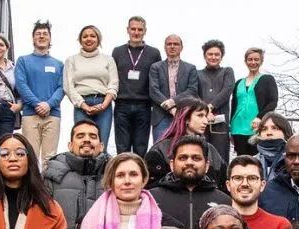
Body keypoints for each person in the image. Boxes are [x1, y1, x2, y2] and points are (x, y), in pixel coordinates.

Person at [44, 122, 109, 229]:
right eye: (80, 136)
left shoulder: (115, 176)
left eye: (93, 136)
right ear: (70, 145)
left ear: (101, 146)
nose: (86, 139)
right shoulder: (51, 176)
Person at [15, 20, 63, 170]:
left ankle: (47, 191)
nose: (41, 36)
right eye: (38, 34)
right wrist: (37, 104)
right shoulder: (23, 61)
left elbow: (62, 88)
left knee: (50, 158)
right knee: (31, 156)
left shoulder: (59, 64)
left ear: (50, 38)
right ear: (33, 38)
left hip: (52, 114)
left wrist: (49, 104)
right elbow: (21, 85)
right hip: (30, 114)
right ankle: (30, 192)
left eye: (45, 34)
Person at [151, 136, 225, 229]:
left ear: (207, 165)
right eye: (183, 158)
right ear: (172, 165)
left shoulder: (223, 201)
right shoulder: (152, 199)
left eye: (196, 158)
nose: (189, 162)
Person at [145, 99, 226, 187]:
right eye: (200, 115)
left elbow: (224, 184)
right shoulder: (160, 150)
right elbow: (151, 190)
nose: (206, 121)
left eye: (206, 116)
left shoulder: (211, 150)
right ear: (186, 118)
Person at [111, 16, 161, 156]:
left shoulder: (154, 53)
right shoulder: (117, 51)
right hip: (122, 104)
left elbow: (157, 78)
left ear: (145, 31)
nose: (136, 32)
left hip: (144, 105)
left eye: (140, 29)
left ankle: (138, 175)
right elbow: (112, 77)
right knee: (122, 146)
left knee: (141, 146)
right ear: (127, 30)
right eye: (133, 29)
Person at [64, 25, 117, 144]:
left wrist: (103, 105)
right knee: (83, 145)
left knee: (101, 145)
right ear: (80, 40)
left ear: (98, 39)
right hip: (81, 105)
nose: (89, 39)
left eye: (92, 36)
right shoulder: (71, 60)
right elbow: (68, 86)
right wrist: (84, 106)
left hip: (103, 104)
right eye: (85, 36)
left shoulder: (108, 59)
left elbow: (113, 84)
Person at [149, 34, 200, 142]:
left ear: (181, 47)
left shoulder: (190, 68)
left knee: (183, 148)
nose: (172, 46)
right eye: (169, 44)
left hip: (183, 114)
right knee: (160, 149)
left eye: (176, 44)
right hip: (161, 116)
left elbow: (192, 90)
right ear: (164, 47)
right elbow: (153, 91)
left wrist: (173, 101)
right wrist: (171, 108)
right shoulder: (155, 67)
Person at [230, 48, 277, 157]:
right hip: (237, 128)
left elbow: (273, 102)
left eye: (256, 59)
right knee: (241, 159)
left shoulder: (267, 79)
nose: (253, 62)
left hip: (257, 128)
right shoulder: (238, 83)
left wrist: (260, 117)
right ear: (245, 61)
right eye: (250, 59)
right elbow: (233, 106)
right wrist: (230, 128)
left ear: (261, 61)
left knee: (257, 159)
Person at [196, 40, 235, 167]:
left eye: (217, 54)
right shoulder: (197, 74)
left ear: (221, 56)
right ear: (204, 56)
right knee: (200, 154)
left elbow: (227, 90)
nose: (213, 57)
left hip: (220, 124)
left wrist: (210, 107)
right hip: (201, 122)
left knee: (220, 157)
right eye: (210, 54)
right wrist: (204, 112)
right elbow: (194, 94)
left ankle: (221, 185)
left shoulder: (227, 71)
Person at [253, 112, 291, 180]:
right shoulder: (251, 162)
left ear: (286, 133)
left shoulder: (294, 162)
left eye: (275, 128)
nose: (269, 133)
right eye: (264, 129)